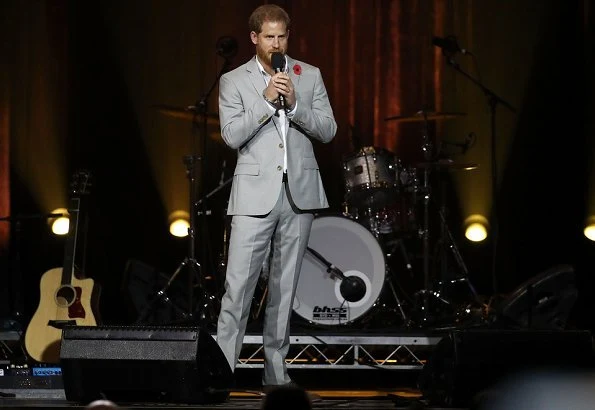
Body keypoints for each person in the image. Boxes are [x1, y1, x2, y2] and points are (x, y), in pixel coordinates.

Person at [216, 4, 337, 391]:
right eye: (269, 36)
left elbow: (328, 130)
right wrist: (267, 101)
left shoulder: (308, 75)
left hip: (298, 196)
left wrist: (296, 105)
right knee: (238, 289)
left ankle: (275, 372)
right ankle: (221, 372)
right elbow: (232, 136)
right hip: (254, 197)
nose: (276, 42)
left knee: (284, 293)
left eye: (282, 36)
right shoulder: (234, 81)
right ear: (254, 38)